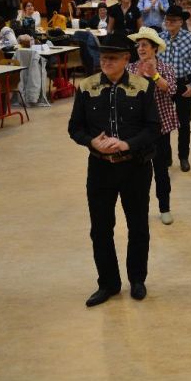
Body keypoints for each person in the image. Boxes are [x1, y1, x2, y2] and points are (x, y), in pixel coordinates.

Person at [67, 30, 159, 307]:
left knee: (138, 225)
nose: (105, 62)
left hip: (135, 167)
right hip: (100, 168)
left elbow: (153, 128)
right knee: (100, 228)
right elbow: (75, 128)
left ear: (126, 59)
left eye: (112, 58)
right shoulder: (87, 86)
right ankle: (108, 283)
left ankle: (137, 279)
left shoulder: (143, 87)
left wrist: (127, 144)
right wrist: (91, 141)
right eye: (103, 58)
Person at [126, 27, 178, 225]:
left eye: (145, 45)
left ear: (155, 48)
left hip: (160, 128)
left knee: (161, 171)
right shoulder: (131, 69)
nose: (141, 49)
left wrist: (154, 75)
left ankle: (165, 208)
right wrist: (139, 76)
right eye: (138, 45)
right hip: (136, 129)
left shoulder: (165, 68)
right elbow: (126, 94)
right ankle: (140, 210)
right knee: (138, 172)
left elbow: (171, 90)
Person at [159, 5, 191, 174]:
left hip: (183, 85)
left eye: (173, 20)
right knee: (163, 123)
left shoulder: (190, 38)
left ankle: (183, 157)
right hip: (163, 85)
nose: (169, 23)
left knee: (184, 124)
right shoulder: (159, 38)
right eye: (167, 20)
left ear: (181, 22)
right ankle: (166, 156)